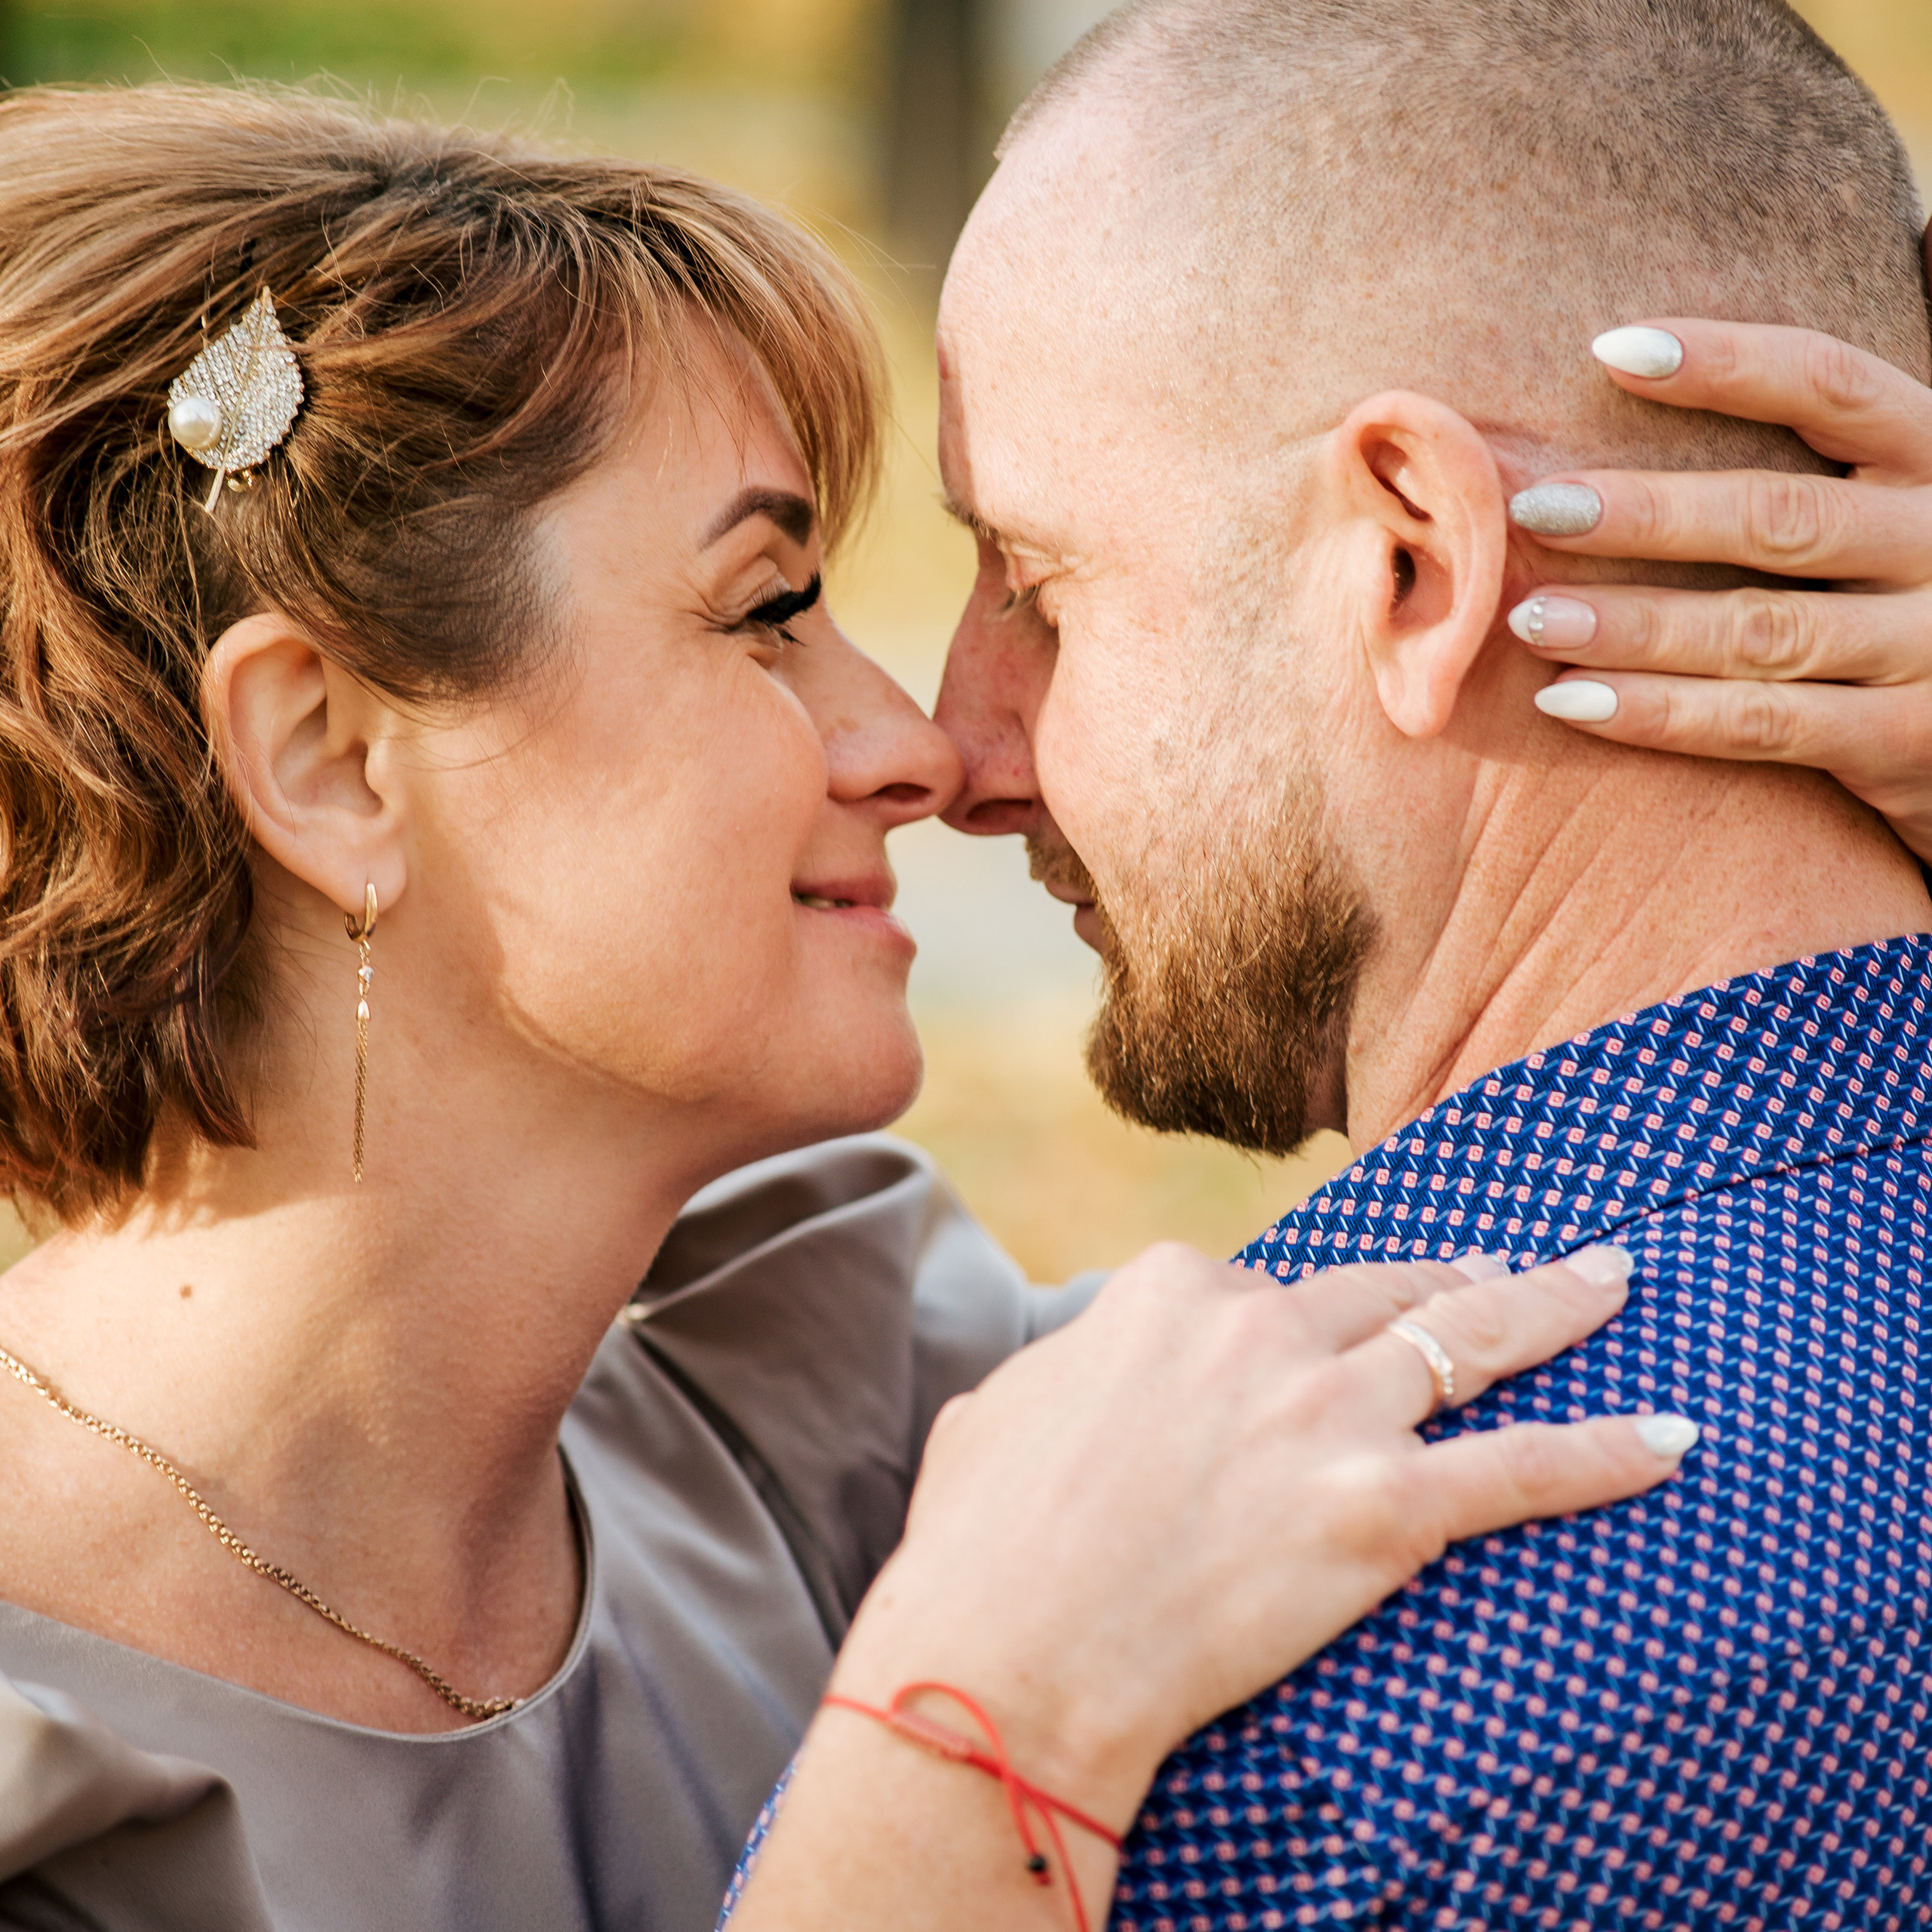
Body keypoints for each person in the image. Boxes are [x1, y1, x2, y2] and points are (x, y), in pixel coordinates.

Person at [0, 79, 1692, 1932]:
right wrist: (954, 1753)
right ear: (327, 758)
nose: (915, 747)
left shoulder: (835, 1408)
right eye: (765, 607)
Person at [728, 0, 1932, 1925]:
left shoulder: (1190, 1717)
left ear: (1413, 565)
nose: (957, 746)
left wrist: (930, 1761)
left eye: (1033, 581)